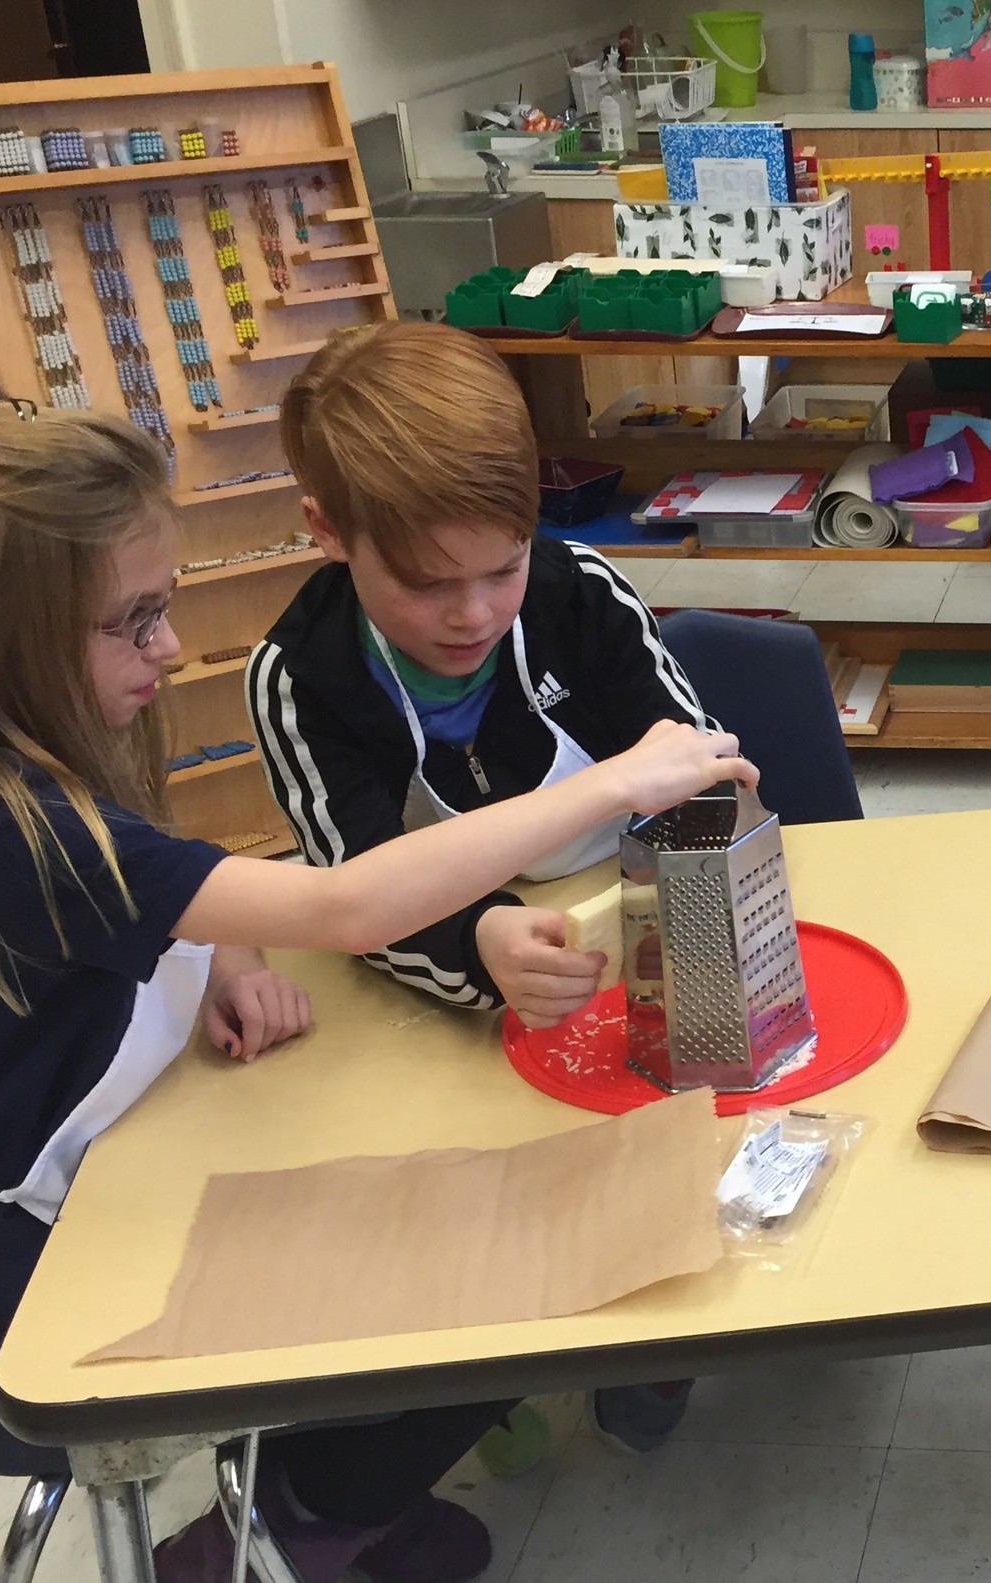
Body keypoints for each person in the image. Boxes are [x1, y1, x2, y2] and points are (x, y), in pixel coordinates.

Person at [0, 400, 753, 1582]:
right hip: (47, 1250)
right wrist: (618, 780)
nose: (169, 649)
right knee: (498, 1285)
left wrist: (217, 950)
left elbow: (144, 895)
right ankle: (285, 1519)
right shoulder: (3, 825)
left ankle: (346, 1484)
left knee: (462, 1219)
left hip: (98, 1150)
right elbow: (344, 908)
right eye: (133, 622)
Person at [246, 323, 709, 1452]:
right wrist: (481, 939)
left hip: (641, 942)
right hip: (462, 995)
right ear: (327, 531)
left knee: (677, 1158)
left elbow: (690, 758)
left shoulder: (574, 591)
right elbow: (355, 889)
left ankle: (667, 1332)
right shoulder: (299, 681)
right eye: (426, 584)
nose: (472, 613)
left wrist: (675, 905)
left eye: (501, 567)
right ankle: (486, 1374)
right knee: (494, 1207)